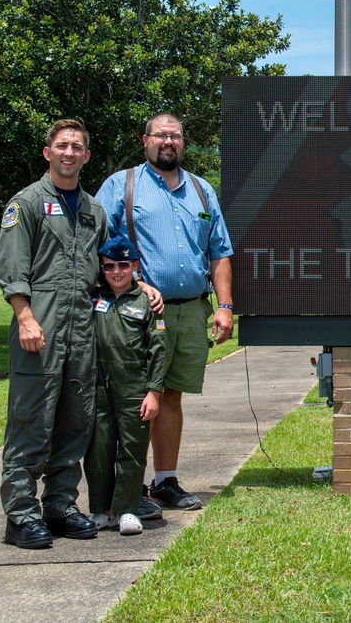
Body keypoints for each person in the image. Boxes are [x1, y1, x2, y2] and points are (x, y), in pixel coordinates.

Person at [95, 112, 234, 511]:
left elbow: (219, 251)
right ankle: (129, 485)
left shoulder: (201, 190)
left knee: (171, 397)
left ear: (183, 143)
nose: (168, 142)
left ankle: (164, 481)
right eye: (161, 136)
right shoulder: (122, 186)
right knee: (135, 396)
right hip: (138, 312)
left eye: (175, 136)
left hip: (191, 311)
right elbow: (100, 246)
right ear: (145, 140)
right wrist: (135, 283)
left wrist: (224, 307)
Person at [0, 119, 108, 548]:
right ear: (48, 153)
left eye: (77, 147)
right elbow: (11, 270)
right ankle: (20, 515)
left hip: (81, 333)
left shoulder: (93, 210)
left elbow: (110, 268)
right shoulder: (26, 204)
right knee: (31, 421)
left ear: (85, 156)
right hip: (38, 331)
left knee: (74, 422)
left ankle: (60, 506)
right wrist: (25, 318)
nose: (68, 153)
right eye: (61, 145)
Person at [85, 235, 165, 535]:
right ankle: (102, 509)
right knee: (99, 449)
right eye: (108, 266)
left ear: (134, 265)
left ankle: (127, 509)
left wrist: (154, 392)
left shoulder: (148, 303)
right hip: (98, 385)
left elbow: (159, 350)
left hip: (134, 385)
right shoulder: (94, 297)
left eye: (123, 265)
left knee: (132, 449)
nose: (116, 272)